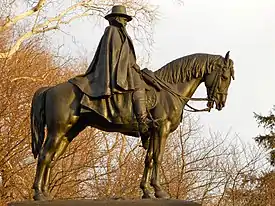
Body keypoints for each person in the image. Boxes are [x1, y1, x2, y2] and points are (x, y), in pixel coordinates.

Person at [69, 5, 150, 147]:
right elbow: (114, 56)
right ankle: (142, 123)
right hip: (117, 70)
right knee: (139, 88)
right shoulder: (112, 32)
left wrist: (136, 67)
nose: (125, 22)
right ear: (117, 19)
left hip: (126, 69)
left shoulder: (121, 33)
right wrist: (130, 68)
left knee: (144, 81)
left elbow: (127, 56)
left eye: (125, 19)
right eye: (123, 19)